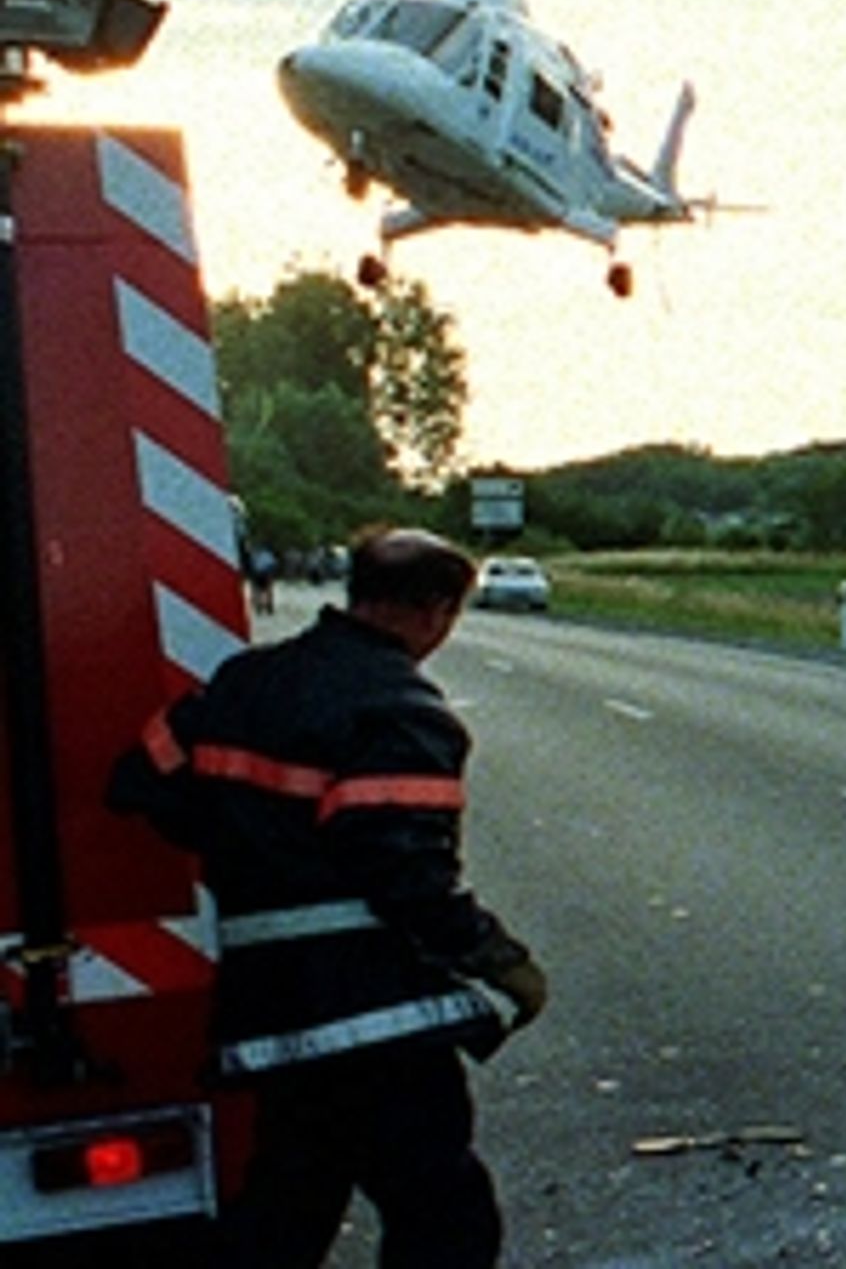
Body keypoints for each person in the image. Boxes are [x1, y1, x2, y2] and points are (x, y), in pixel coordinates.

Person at [108, 527, 547, 1269]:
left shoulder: (243, 681)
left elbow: (136, 781)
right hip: (375, 1016)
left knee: (291, 1202)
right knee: (444, 1215)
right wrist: (498, 959)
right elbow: (404, 869)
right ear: (437, 610)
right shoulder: (402, 709)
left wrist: (237, 843)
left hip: (267, 1009)